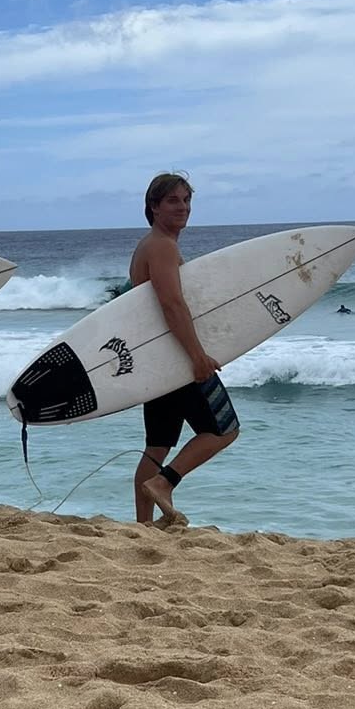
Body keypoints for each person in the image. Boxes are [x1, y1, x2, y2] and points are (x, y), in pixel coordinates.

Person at [129, 173, 238, 528]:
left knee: (158, 445)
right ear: (154, 206)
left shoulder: (150, 244)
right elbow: (172, 304)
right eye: (173, 200)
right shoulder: (162, 246)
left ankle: (144, 526)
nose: (183, 207)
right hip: (175, 358)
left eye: (187, 200)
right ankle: (164, 483)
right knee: (224, 430)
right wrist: (197, 356)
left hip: (158, 358)